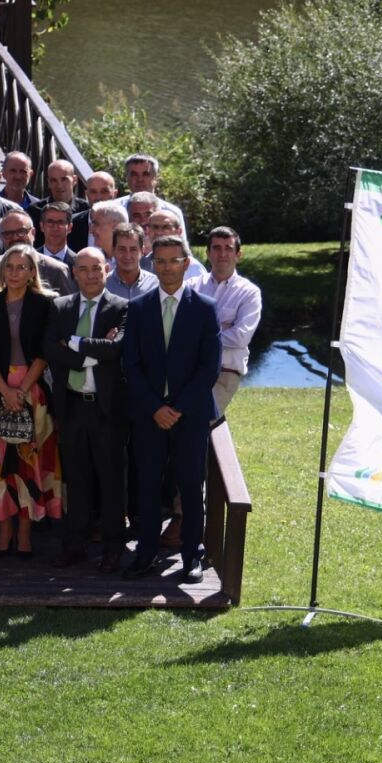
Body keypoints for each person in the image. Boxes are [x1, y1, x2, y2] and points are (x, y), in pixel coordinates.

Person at [121, 235, 221, 582]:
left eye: (173, 261)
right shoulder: (139, 308)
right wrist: (155, 408)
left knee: (190, 487)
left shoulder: (205, 308)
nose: (166, 268)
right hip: (149, 415)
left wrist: (177, 408)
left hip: (189, 415)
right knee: (148, 486)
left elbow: (209, 367)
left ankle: (192, 555)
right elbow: (131, 365)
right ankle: (146, 553)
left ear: (186, 263)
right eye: (160, 261)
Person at [44, 248, 130, 572]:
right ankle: (75, 545)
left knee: (111, 480)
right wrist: (95, 352)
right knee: (76, 479)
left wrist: (74, 343)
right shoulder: (60, 307)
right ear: (74, 273)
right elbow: (50, 349)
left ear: (107, 269)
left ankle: (113, 547)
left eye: (97, 268)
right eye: (84, 269)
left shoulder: (122, 307)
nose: (91, 275)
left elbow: (117, 349)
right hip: (72, 406)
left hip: (107, 409)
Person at [0, 244, 60, 558]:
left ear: (32, 271)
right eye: (9, 267)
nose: (14, 273)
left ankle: (24, 532)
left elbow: (43, 353)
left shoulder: (46, 306)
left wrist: (21, 390)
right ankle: (4, 531)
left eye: (21, 267)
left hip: (31, 390)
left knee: (28, 464)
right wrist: (5, 391)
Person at [188, 226, 262, 414]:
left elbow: (240, 337)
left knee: (204, 417)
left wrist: (200, 337)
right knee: (184, 420)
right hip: (190, 369)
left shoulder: (249, 292)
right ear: (208, 253)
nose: (222, 254)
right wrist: (223, 328)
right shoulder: (191, 287)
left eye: (228, 248)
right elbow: (179, 328)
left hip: (225, 371)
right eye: (216, 248)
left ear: (238, 255)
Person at [0, 208, 76, 298]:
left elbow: (66, 310)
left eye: (21, 232)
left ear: (33, 233)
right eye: (8, 234)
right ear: (1, 237)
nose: (15, 238)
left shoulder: (57, 270)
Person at [142, 210, 208, 278]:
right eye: (155, 227)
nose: (159, 232)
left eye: (166, 227)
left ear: (179, 232)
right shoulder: (141, 265)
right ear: (148, 231)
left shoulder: (192, 268)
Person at [105, 223, 159, 302]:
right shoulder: (103, 285)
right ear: (113, 250)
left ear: (142, 251)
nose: (127, 256)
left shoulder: (155, 285)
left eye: (133, 249)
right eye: (122, 249)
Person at [38, 202, 79, 267]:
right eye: (50, 222)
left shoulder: (78, 263)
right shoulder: (30, 260)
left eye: (61, 222)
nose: (55, 228)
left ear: (70, 227)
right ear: (42, 226)